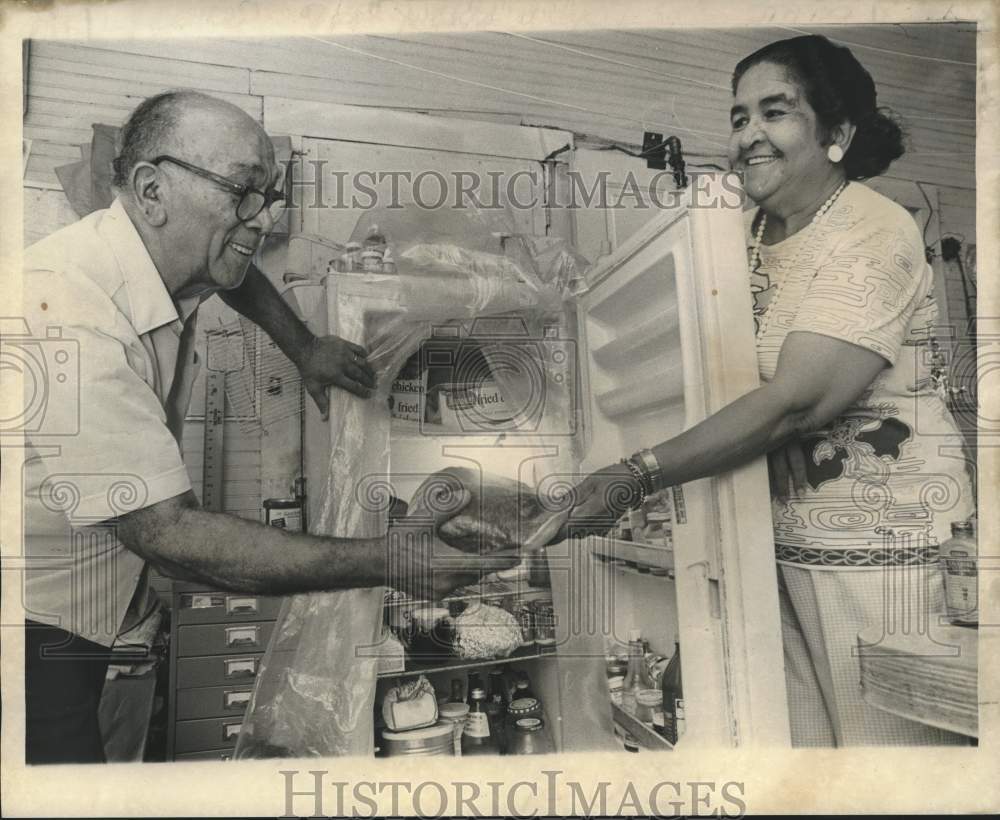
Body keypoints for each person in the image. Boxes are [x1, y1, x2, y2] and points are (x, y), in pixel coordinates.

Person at [18, 90, 511, 764]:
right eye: (244, 192)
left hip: (96, 614)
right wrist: (389, 560)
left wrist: (305, 347)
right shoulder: (68, 310)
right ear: (152, 190)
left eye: (271, 195)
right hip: (28, 631)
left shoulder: (163, 257)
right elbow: (168, 535)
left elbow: (235, 274)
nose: (265, 217)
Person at [560, 35, 974, 746]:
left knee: (884, 766)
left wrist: (634, 475)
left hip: (880, 545)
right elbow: (720, 384)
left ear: (836, 134)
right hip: (766, 536)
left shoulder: (874, 231)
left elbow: (797, 400)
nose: (748, 134)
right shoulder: (738, 238)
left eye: (774, 112)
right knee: (801, 755)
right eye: (738, 116)